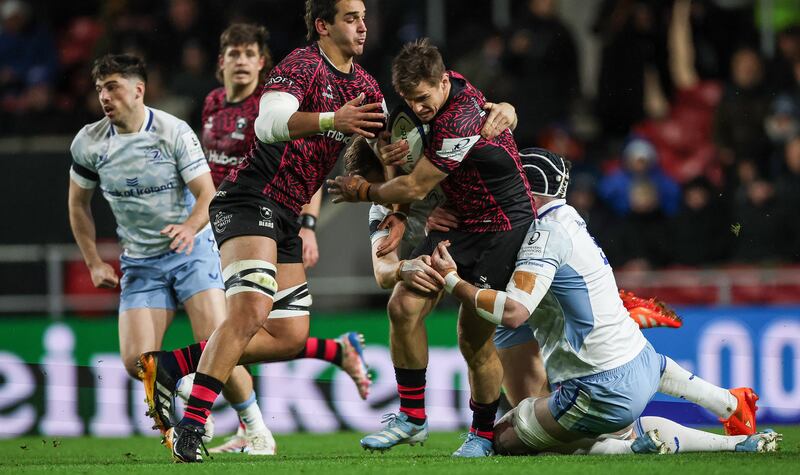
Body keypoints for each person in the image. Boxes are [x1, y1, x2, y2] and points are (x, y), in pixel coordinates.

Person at [137, 0, 386, 462]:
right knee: (251, 309)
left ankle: (173, 366)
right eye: (350, 17)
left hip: (288, 212)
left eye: (363, 18)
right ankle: (192, 429)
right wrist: (335, 120)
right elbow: (268, 124)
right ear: (322, 25)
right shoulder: (302, 64)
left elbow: (390, 146)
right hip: (250, 198)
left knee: (290, 337)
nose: (362, 27)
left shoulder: (367, 86)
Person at [427, 148, 779, 456]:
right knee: (605, 386)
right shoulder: (568, 217)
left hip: (597, 389)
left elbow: (516, 313)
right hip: (641, 361)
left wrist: (452, 280)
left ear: (527, 190)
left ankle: (629, 448)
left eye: (508, 186)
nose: (499, 194)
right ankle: (728, 403)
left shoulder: (542, 235)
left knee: (504, 439)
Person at [328, 38, 535, 457]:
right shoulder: (438, 102)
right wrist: (399, 220)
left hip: (502, 226)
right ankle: (412, 417)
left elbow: (417, 184)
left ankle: (481, 434)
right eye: (409, 100)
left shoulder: (457, 119)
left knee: (472, 337)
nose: (418, 109)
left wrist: (364, 190)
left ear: (443, 82)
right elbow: (385, 269)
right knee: (402, 306)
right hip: (456, 220)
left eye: (423, 99)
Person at [66, 53, 271, 449]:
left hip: (191, 250)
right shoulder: (89, 143)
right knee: (138, 364)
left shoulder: (172, 131)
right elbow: (78, 205)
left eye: (113, 87)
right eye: (99, 89)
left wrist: (189, 227)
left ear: (138, 90)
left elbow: (207, 193)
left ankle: (254, 428)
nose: (104, 97)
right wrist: (93, 261)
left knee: (216, 342)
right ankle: (191, 405)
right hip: (141, 260)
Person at [195, 22, 372, 455]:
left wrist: (309, 225)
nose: (240, 61)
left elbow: (305, 164)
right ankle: (241, 425)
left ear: (262, 63)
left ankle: (185, 381)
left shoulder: (280, 99)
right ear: (221, 63)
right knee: (242, 320)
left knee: (273, 330)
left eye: (248, 53)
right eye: (232, 53)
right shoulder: (213, 105)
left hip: (277, 213)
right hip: (234, 213)